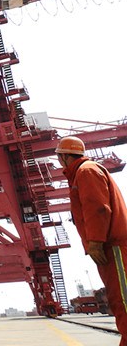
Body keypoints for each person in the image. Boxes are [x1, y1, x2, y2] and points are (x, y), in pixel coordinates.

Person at [56, 136, 127, 344]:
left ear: (64, 157)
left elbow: (97, 207)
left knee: (122, 301)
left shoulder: (86, 171)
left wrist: (95, 240)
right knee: (118, 301)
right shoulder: (86, 172)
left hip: (112, 246)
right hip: (111, 246)